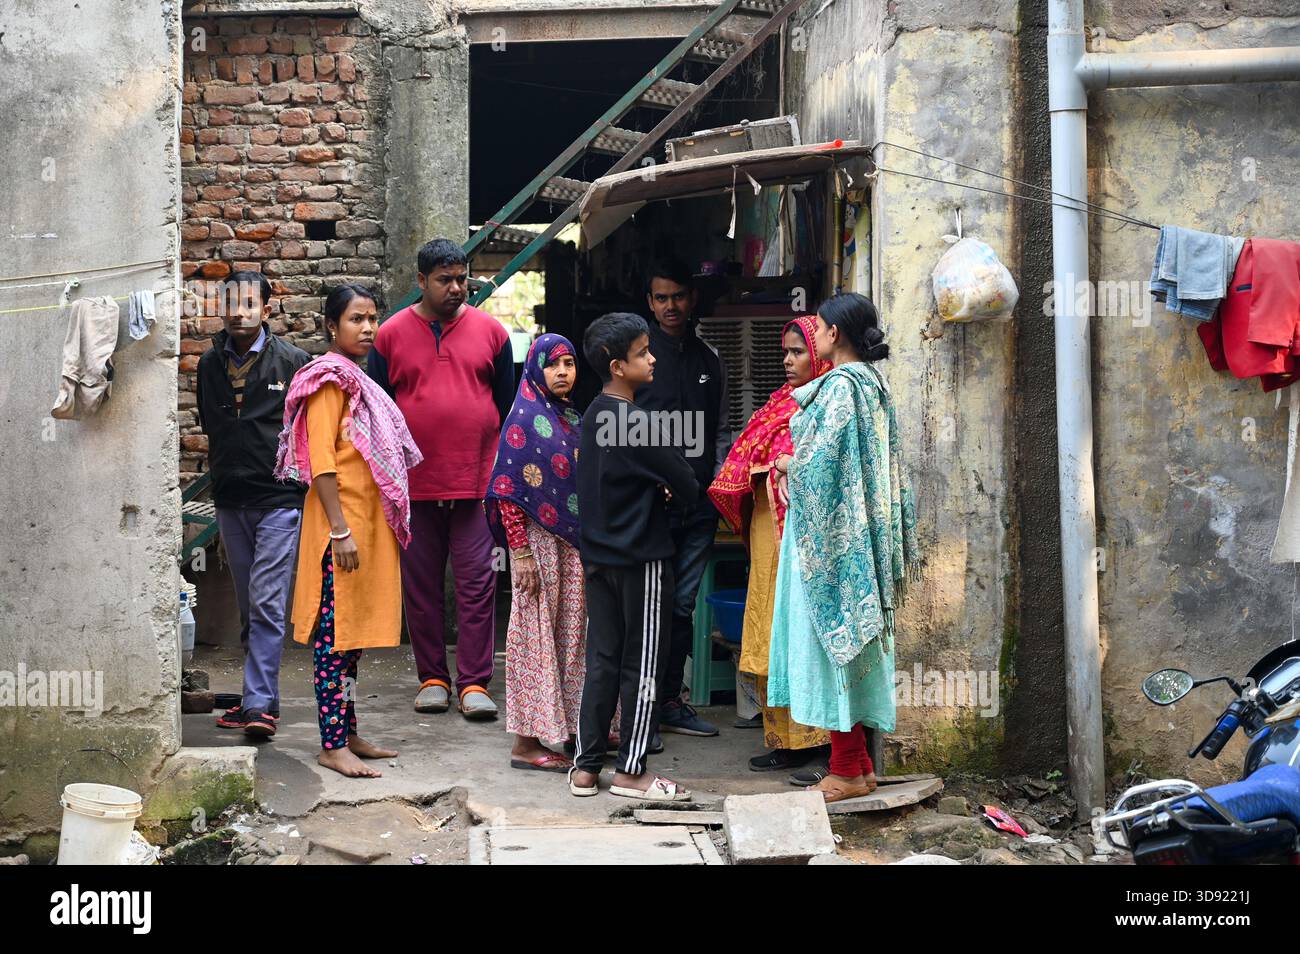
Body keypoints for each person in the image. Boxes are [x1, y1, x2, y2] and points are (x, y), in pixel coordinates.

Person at [767, 293, 920, 802]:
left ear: (833, 335)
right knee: (850, 647)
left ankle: (848, 770)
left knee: (830, 644)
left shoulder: (838, 386)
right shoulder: (874, 384)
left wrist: (787, 464)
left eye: (821, 328)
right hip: (861, 537)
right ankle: (856, 765)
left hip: (829, 545)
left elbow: (818, 465)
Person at [277, 284, 423, 778]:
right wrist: (339, 531)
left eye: (372, 318)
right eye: (356, 319)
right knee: (334, 640)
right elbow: (321, 464)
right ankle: (331, 743)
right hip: (339, 531)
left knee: (352, 637)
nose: (367, 328)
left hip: (367, 526)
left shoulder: (360, 380)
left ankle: (349, 731)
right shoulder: (327, 382)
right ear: (331, 328)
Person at [367, 239, 516, 720]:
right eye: (445, 280)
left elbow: (507, 405)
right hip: (414, 486)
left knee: (478, 584)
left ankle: (474, 683)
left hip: (476, 482)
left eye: (462, 278)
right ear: (421, 282)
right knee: (421, 585)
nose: (457, 288)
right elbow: (378, 410)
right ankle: (432, 678)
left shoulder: (492, 333)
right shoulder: (389, 335)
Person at [570, 313, 699, 801]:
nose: (652, 358)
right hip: (641, 559)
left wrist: (652, 483)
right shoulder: (638, 424)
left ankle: (586, 768)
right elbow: (688, 486)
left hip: (598, 559)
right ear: (617, 365)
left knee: (602, 659)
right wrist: (662, 484)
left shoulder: (592, 417)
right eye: (643, 352)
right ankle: (632, 770)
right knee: (643, 664)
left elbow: (610, 482)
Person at [708, 316, 833, 772]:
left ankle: (816, 744)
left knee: (799, 635)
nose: (787, 360)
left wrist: (780, 467)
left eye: (798, 351)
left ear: (820, 353)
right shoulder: (783, 401)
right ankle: (782, 740)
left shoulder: (824, 402)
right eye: (785, 351)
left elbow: (821, 467)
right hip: (769, 533)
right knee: (768, 629)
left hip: (801, 539)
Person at [197, 270, 310, 738]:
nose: (240, 311)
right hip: (230, 498)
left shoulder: (294, 362)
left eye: (250, 303)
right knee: (250, 603)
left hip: (279, 498)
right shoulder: (208, 365)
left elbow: (306, 431)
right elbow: (211, 424)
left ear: (268, 308)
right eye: (231, 303)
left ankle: (261, 703)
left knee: (266, 602)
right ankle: (255, 698)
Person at [635, 259, 729, 739]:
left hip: (697, 509)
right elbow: (617, 427)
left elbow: (720, 433)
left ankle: (669, 701)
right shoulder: (637, 357)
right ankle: (640, 713)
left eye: (678, 296)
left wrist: (717, 486)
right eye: (661, 297)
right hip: (648, 510)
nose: (671, 306)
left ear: (692, 299)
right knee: (649, 607)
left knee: (682, 607)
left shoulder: (709, 359)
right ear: (650, 302)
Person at [485, 333, 585, 773]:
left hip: (572, 548)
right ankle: (525, 743)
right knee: (534, 635)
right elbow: (507, 490)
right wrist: (519, 553)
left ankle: (573, 726)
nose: (562, 372)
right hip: (538, 546)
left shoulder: (570, 417)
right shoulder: (523, 418)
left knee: (572, 633)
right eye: (553, 365)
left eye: (569, 363)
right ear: (535, 369)